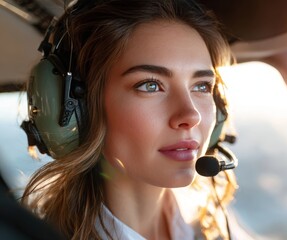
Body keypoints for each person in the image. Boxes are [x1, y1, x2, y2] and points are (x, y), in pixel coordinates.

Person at [19, 0, 252, 239]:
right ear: (82, 110)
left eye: (201, 86)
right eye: (150, 85)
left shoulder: (210, 222)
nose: (191, 116)